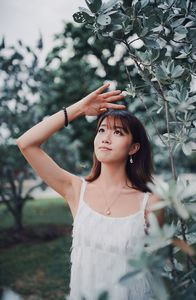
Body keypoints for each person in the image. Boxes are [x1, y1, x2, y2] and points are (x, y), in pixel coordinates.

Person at [16, 83, 164, 300]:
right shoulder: (75, 190)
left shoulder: (151, 204)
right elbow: (26, 143)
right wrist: (78, 109)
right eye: (102, 130)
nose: (106, 137)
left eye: (118, 132)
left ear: (133, 148)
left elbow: (156, 269)